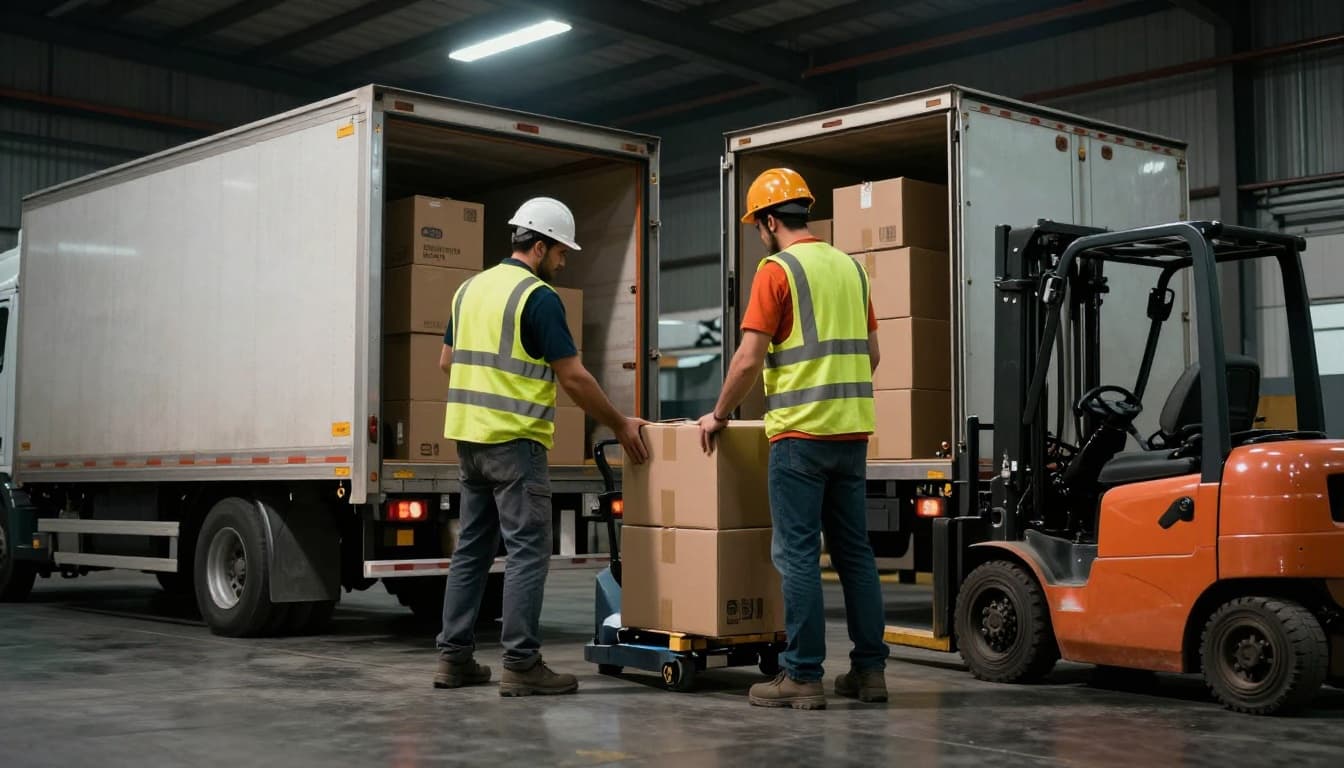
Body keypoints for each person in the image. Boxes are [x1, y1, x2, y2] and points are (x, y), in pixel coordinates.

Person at [434, 196, 649, 697]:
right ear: (539, 245)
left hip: (470, 441)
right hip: (516, 443)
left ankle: (453, 659)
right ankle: (521, 663)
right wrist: (619, 424)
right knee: (528, 552)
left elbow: (447, 362)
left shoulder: (469, 289)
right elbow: (573, 377)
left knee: (471, 550)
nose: (563, 261)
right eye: (560, 252)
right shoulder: (538, 297)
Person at [698, 169, 889, 710]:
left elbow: (749, 358)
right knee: (856, 555)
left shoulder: (776, 270)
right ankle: (869, 673)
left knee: (799, 555)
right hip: (852, 434)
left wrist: (718, 414)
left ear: (767, 221)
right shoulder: (851, 269)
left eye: (757, 222)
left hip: (800, 437)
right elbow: (873, 356)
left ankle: (803, 675)